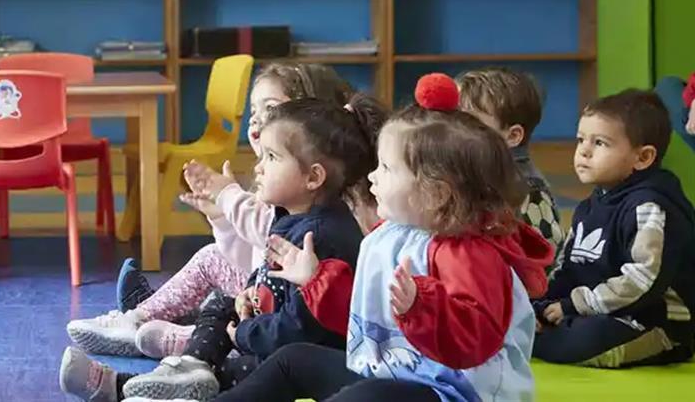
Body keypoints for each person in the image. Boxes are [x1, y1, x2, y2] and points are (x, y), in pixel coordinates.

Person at [207, 74, 551, 402]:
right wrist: (316, 279)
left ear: (435, 193)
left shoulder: (470, 253)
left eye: (385, 168)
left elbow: (475, 339)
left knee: (364, 397)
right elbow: (366, 317)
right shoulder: (393, 234)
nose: (372, 177)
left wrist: (423, 305)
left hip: (450, 392)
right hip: (399, 375)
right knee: (291, 360)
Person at [60, 95, 384, 402]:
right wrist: (247, 294)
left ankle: (120, 387)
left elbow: (299, 328)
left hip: (288, 349)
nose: (258, 167)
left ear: (313, 177)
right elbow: (265, 273)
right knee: (220, 304)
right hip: (264, 330)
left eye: (271, 158)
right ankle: (189, 367)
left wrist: (245, 333)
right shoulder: (291, 215)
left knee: (237, 373)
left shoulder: (320, 236)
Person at [115, 63, 353, 312]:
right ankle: (147, 313)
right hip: (261, 290)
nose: (257, 119)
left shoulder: (297, 189)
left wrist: (228, 196)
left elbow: (270, 234)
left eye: (270, 108)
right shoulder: (273, 179)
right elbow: (246, 255)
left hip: (280, 304)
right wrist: (221, 217)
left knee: (214, 294)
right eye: (253, 110)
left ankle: (143, 317)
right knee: (214, 263)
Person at [533, 89, 695, 367]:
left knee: (585, 340)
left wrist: (572, 306)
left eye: (600, 143)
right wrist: (544, 303)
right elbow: (568, 265)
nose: (583, 150)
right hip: (603, 309)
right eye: (581, 140)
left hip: (656, 320)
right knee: (528, 315)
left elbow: (643, 280)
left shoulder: (650, 207)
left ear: (642, 158)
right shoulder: (589, 206)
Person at [456, 67, 565, 254]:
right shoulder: (472, 171)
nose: (454, 130)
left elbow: (547, 253)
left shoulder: (528, 190)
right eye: (453, 119)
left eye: (469, 123)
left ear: (513, 135)